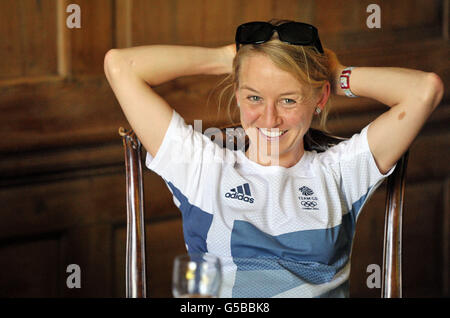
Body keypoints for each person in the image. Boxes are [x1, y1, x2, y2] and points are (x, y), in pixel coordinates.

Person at [104, 19, 444, 297]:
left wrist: (336, 74)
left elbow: (424, 90)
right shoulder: (202, 168)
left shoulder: (340, 173)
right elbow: (120, 66)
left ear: (319, 99)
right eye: (254, 97)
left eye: (288, 100)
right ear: (237, 94)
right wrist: (228, 59)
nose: (269, 119)